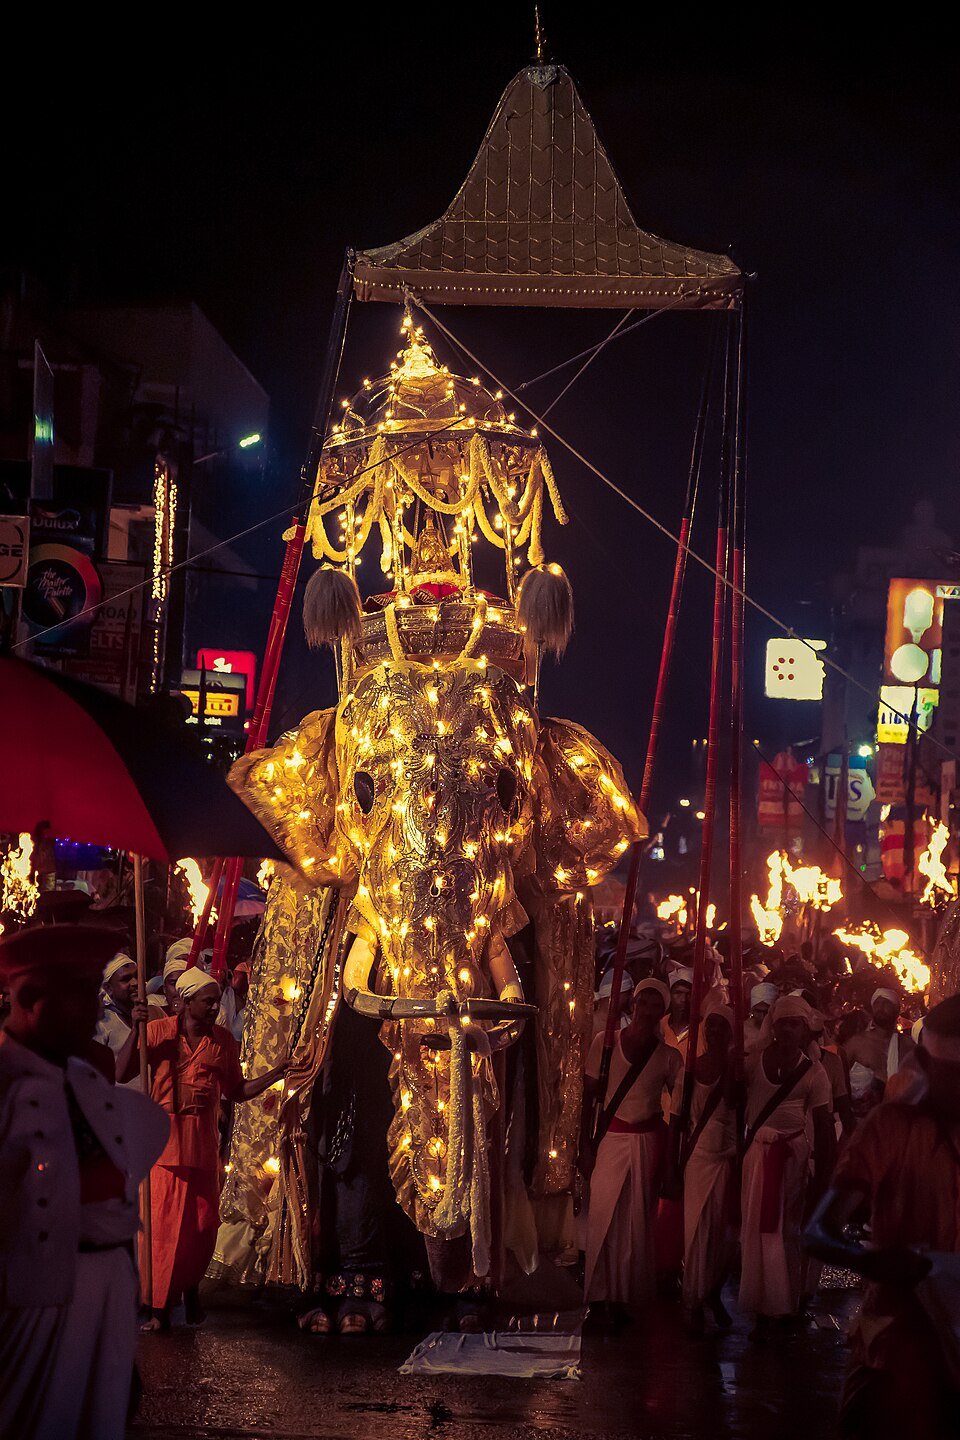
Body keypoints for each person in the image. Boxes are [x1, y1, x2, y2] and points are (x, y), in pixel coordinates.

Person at [0, 924, 168, 1440]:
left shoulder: (87, 1077)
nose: (95, 1010)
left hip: (108, 1288)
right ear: (30, 998)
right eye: (79, 993)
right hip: (30, 1300)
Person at [806, 995, 960, 1438]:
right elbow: (818, 1232)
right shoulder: (890, 1127)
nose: (951, 1088)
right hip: (892, 1348)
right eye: (942, 1073)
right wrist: (876, 1262)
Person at [118, 966, 288, 1330]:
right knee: (161, 1232)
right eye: (207, 1002)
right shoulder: (158, 1031)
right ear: (186, 1001)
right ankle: (158, 1310)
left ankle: (189, 1290)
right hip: (162, 1147)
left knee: (200, 1228)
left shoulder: (223, 1041)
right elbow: (119, 1073)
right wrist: (136, 1027)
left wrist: (277, 1073)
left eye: (215, 1002)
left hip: (203, 1147)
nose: (214, 1008)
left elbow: (237, 1092)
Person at [581, 977, 682, 1320]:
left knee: (635, 1222)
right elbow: (588, 1096)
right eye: (644, 1002)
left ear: (662, 1011)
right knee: (602, 1218)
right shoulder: (605, 1044)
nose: (648, 1010)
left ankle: (624, 1300)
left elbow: (682, 1107)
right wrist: (584, 1144)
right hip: (611, 1138)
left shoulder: (669, 1057)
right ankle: (598, 1295)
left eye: (657, 1005)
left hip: (646, 1142)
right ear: (633, 1004)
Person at [739, 995, 835, 1339]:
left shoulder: (815, 1072)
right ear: (774, 1026)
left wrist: (825, 1175)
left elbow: (824, 1125)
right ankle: (760, 1305)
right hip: (757, 1156)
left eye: (796, 1023)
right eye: (783, 1023)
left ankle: (781, 1307)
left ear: (804, 1028)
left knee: (785, 1229)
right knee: (755, 1230)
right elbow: (733, 1100)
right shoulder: (752, 1063)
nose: (789, 1030)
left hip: (791, 1158)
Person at [673, 1006, 738, 1332]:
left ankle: (712, 1293)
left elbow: (733, 1104)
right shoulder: (691, 1068)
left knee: (722, 1235)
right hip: (698, 1156)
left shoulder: (736, 1069)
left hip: (726, 1155)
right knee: (696, 1231)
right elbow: (679, 1120)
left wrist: (730, 1065)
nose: (714, 1032)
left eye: (721, 1027)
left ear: (729, 1033)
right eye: (709, 1026)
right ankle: (694, 1301)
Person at [843, 986, 915, 1115]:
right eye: (877, 1003)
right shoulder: (856, 1043)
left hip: (898, 1117)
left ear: (897, 1010)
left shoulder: (908, 1045)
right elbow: (838, 1083)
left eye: (886, 1003)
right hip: (862, 1119)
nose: (881, 1007)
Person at [95, 953, 140, 1085]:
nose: (135, 983)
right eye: (126, 979)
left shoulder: (154, 1012)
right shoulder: (102, 1024)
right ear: (108, 988)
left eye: (137, 976)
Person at [663, 967, 694, 1058]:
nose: (683, 999)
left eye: (689, 994)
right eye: (678, 993)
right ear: (670, 995)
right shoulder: (660, 1027)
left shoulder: (703, 1028)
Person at [743, 982, 777, 1056]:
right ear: (752, 1010)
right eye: (758, 1011)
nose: (762, 1016)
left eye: (767, 1012)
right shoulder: (742, 1030)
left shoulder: (779, 1030)